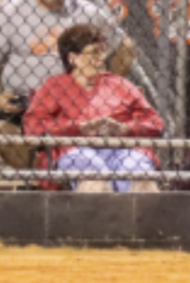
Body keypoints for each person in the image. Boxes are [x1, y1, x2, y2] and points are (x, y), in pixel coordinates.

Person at [0, 0, 135, 169]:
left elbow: (124, 46)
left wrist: (107, 88)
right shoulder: (10, 13)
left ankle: (62, 172)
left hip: (74, 104)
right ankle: (42, 175)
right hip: (24, 103)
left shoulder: (86, 11)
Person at [23, 24, 162, 193]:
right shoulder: (55, 86)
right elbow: (33, 126)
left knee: (143, 184)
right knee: (95, 185)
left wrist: (124, 128)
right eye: (94, 53)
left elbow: (155, 122)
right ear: (73, 58)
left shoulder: (119, 84)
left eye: (103, 51)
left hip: (124, 146)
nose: (101, 59)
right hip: (76, 148)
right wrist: (79, 128)